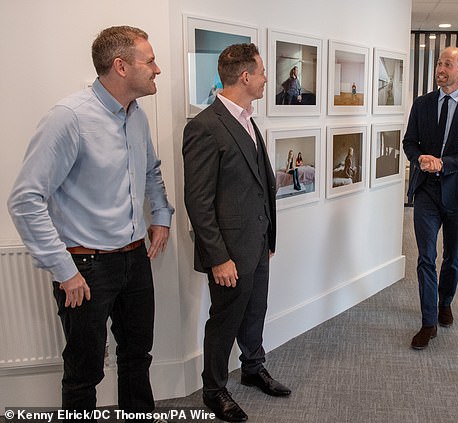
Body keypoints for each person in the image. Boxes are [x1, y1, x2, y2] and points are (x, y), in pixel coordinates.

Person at [6, 26, 173, 418]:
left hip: (135, 260)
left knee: (137, 357)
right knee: (84, 372)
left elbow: (151, 171)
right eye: (149, 61)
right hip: (85, 268)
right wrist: (64, 271)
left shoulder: (136, 116)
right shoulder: (69, 118)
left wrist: (161, 216)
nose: (157, 69)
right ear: (120, 66)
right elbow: (25, 199)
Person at [183, 43, 291, 422]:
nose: (266, 80)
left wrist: (268, 238)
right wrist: (218, 258)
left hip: (257, 244)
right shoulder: (204, 127)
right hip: (228, 252)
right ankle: (213, 390)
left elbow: (258, 186)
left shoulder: (248, 119)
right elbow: (198, 203)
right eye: (262, 73)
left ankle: (251, 366)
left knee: (254, 311)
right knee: (224, 321)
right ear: (245, 77)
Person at [402, 46, 458, 350]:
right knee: (426, 257)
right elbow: (409, 142)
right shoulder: (422, 104)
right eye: (439, 63)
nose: (441, 69)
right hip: (426, 191)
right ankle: (428, 322)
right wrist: (421, 158)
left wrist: (446, 163)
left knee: (453, 257)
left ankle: (445, 302)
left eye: (447, 64)